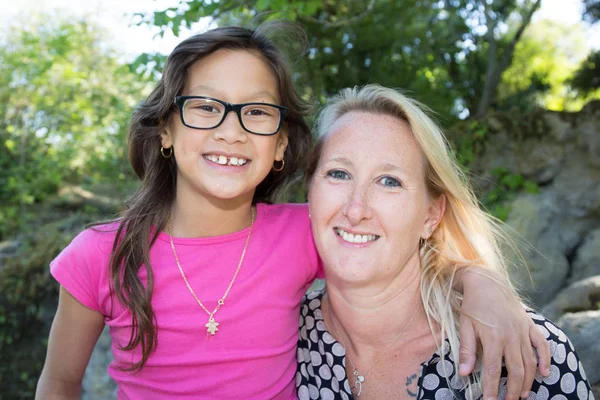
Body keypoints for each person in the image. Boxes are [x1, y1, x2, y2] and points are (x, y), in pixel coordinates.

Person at [36, 25, 549, 400]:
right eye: (205, 106)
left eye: (256, 112)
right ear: (165, 128)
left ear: (281, 145)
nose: (230, 130)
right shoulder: (99, 254)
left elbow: (411, 253)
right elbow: (59, 381)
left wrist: (486, 287)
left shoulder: (304, 232)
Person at [297, 84, 593, 400]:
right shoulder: (280, 334)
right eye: (339, 174)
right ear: (310, 193)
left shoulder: (525, 355)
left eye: (389, 182)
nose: (355, 209)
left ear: (431, 215)